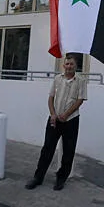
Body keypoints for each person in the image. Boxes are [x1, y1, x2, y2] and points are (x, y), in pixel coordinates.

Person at [25, 53, 87, 191]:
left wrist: (66, 114)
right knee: (47, 148)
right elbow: (51, 98)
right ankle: (38, 177)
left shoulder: (81, 80)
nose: (69, 66)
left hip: (71, 120)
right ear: (63, 65)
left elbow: (80, 100)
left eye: (72, 64)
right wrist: (53, 114)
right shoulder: (58, 79)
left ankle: (61, 178)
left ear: (76, 66)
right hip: (54, 119)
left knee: (68, 150)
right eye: (67, 64)